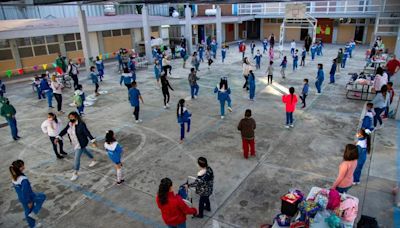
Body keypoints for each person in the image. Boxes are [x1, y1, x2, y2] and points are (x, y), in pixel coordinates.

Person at [56, 112, 98, 181]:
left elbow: (87, 132)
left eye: (72, 117)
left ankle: (75, 173)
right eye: (69, 117)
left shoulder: (81, 124)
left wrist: (93, 140)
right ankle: (94, 160)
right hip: (74, 143)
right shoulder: (69, 124)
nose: (70, 118)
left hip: (80, 143)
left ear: (76, 117)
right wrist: (58, 136)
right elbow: (64, 130)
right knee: (85, 151)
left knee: (76, 158)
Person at [10, 160, 46, 228]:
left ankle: (32, 226)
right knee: (42, 196)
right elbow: (25, 192)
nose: (24, 166)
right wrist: (29, 201)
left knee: (27, 211)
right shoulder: (23, 180)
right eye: (23, 165)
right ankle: (34, 212)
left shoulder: (13, 177)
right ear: (20, 168)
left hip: (21, 198)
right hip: (29, 196)